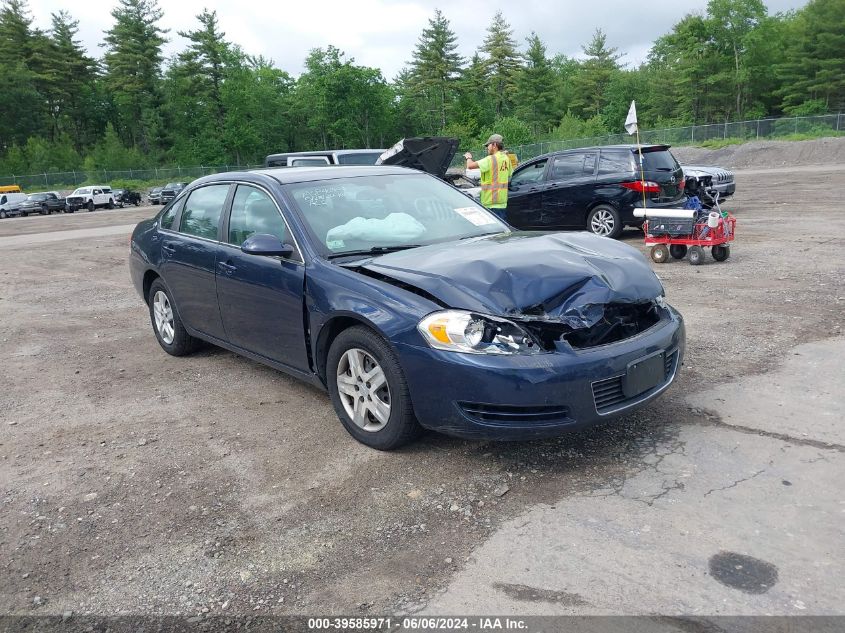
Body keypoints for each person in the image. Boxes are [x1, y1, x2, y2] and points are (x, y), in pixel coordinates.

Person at [464, 134, 512, 220]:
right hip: (502, 203)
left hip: (491, 204)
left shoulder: (490, 159)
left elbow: (470, 166)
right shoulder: (506, 158)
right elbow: (508, 174)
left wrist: (468, 157)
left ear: (494, 145)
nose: (487, 147)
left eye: (488, 145)